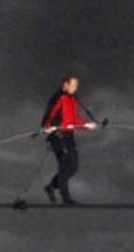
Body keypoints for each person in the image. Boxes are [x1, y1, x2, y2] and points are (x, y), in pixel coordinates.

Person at [41, 74, 97, 205]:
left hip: (69, 136)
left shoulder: (72, 99)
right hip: (58, 136)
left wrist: (86, 125)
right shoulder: (58, 98)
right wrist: (47, 127)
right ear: (65, 85)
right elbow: (49, 114)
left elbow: (74, 119)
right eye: (73, 85)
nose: (75, 88)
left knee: (73, 167)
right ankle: (66, 198)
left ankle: (51, 187)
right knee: (65, 165)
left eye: (76, 86)